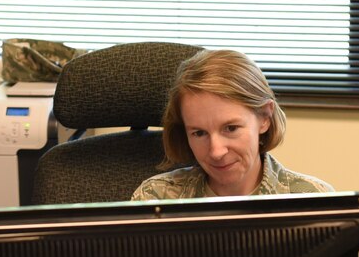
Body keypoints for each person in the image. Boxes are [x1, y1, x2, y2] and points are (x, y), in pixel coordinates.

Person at [132, 49, 334, 200]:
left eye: (230, 128)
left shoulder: (314, 200)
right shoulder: (156, 199)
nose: (216, 152)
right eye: (199, 133)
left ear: (264, 117)